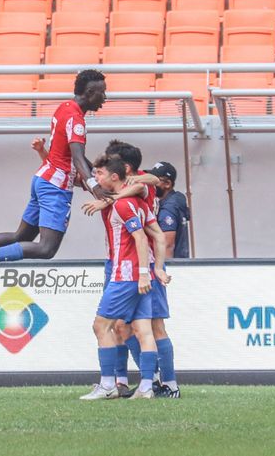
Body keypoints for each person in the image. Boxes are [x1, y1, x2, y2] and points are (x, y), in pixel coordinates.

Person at [0, 69, 107, 288]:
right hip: (55, 186)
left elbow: (74, 154)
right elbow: (77, 158)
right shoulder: (77, 119)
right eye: (102, 93)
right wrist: (95, 186)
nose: (105, 98)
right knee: (46, 248)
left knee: (21, 235)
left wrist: (92, 172)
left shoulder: (65, 108)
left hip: (42, 179)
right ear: (89, 91)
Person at [79, 154, 162, 400]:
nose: (95, 179)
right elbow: (155, 234)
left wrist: (144, 273)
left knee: (101, 325)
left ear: (115, 176)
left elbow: (139, 237)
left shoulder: (123, 204)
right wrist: (154, 269)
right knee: (143, 329)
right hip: (139, 274)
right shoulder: (139, 201)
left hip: (125, 274)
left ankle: (108, 385)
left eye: (100, 174)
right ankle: (146, 387)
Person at [147, 161, 190, 259]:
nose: (151, 183)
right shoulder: (176, 200)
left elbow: (167, 245)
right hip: (181, 263)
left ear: (167, 184)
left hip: (173, 266)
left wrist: (165, 270)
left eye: (155, 181)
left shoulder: (168, 208)